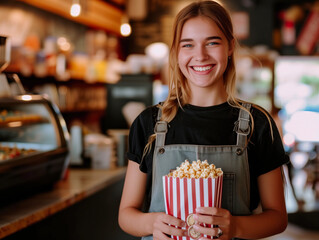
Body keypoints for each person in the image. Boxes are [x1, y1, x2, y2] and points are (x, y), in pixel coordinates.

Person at [118, 1, 289, 239]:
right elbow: (126, 215)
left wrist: (236, 227)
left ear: (230, 46)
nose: (200, 55)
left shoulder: (257, 123)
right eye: (187, 45)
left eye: (212, 42)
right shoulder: (148, 123)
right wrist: (151, 223)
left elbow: (278, 218)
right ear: (176, 52)